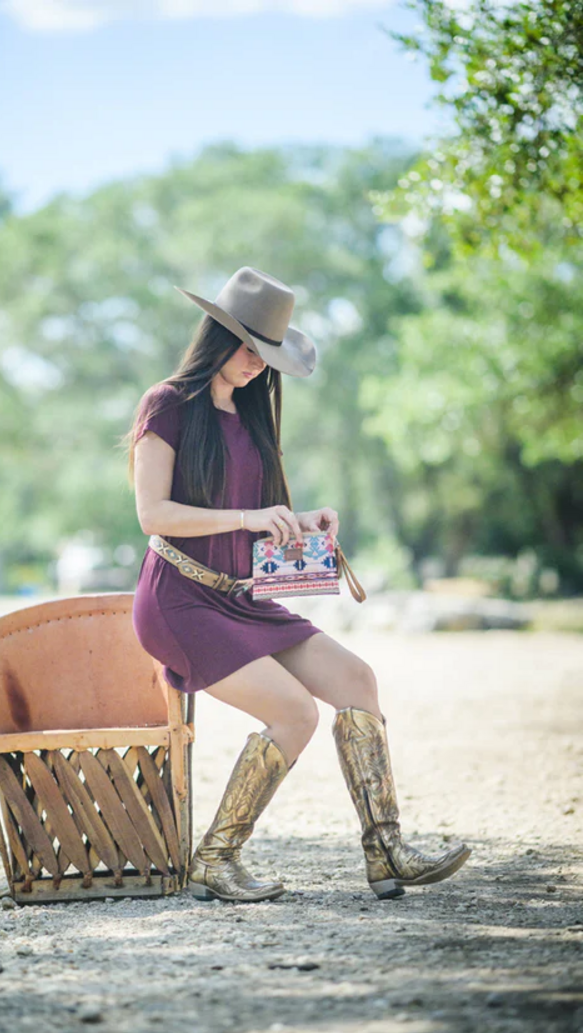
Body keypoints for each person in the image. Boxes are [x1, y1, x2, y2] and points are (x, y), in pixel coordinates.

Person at [124, 266, 470, 904]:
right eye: (248, 345)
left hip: (241, 597)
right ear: (216, 335)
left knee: (357, 680)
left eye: (268, 353)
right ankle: (216, 859)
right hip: (177, 599)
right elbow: (154, 515)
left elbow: (256, 522)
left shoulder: (252, 417)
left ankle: (385, 850)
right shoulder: (167, 404)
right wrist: (249, 517)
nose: (258, 363)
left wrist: (299, 521)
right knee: (294, 711)